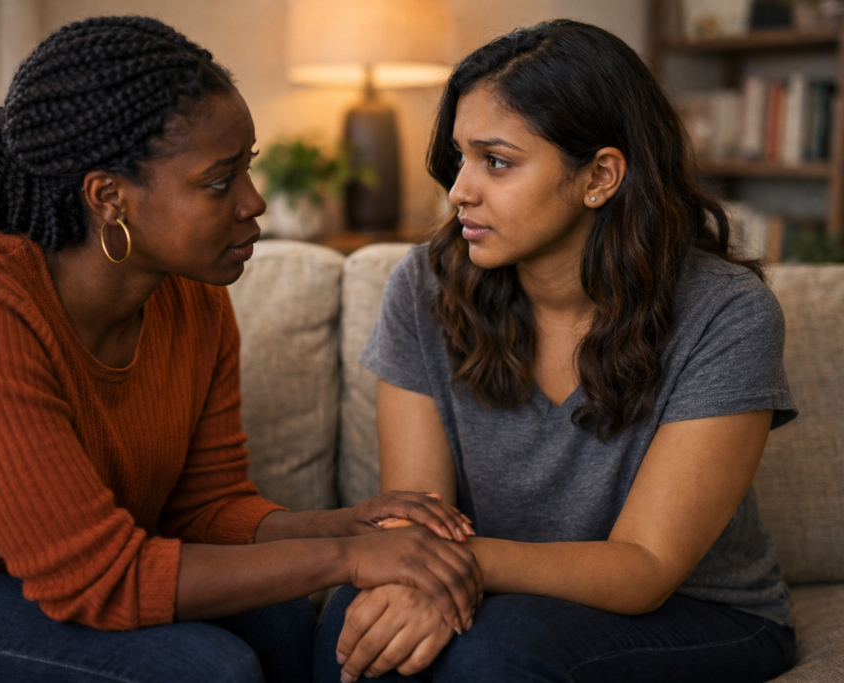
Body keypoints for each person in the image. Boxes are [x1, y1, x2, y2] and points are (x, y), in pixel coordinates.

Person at [0, 16, 483, 683]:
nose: (255, 202)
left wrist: (348, 526)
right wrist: (346, 558)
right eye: (220, 182)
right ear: (109, 197)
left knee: (281, 621)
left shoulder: (192, 296)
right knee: (202, 668)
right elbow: (99, 580)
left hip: (25, 579)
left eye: (247, 168)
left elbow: (207, 512)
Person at [315, 19, 798, 683]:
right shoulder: (423, 284)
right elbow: (417, 507)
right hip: (497, 593)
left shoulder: (727, 312)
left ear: (600, 175)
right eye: (459, 157)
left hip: (698, 610)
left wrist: (456, 566)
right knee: (354, 622)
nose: (459, 190)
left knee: (500, 651)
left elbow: (645, 568)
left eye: (497, 161)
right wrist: (408, 573)